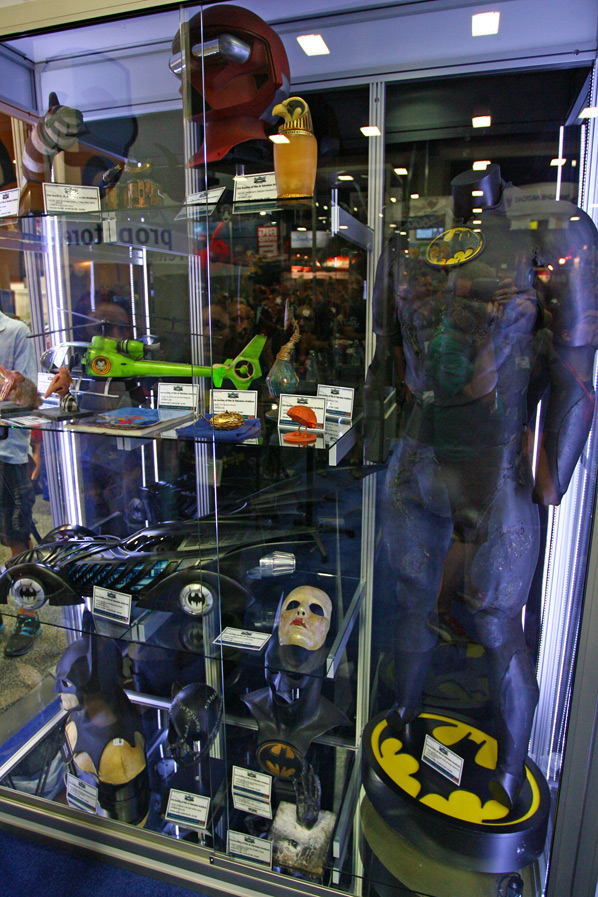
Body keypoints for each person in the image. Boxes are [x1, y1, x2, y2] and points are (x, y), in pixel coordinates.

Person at [365, 163, 598, 809]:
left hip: (497, 463)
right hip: (419, 451)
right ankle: (404, 720)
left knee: (497, 622)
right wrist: (372, 440)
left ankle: (510, 769)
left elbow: (578, 368)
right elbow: (385, 353)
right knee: (411, 602)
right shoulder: (404, 240)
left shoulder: (551, 231)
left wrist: (552, 478)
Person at [0, 310, 42, 657]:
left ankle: (28, 613)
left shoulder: (15, 332)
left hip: (8, 452)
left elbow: (27, 398)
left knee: (17, 534)